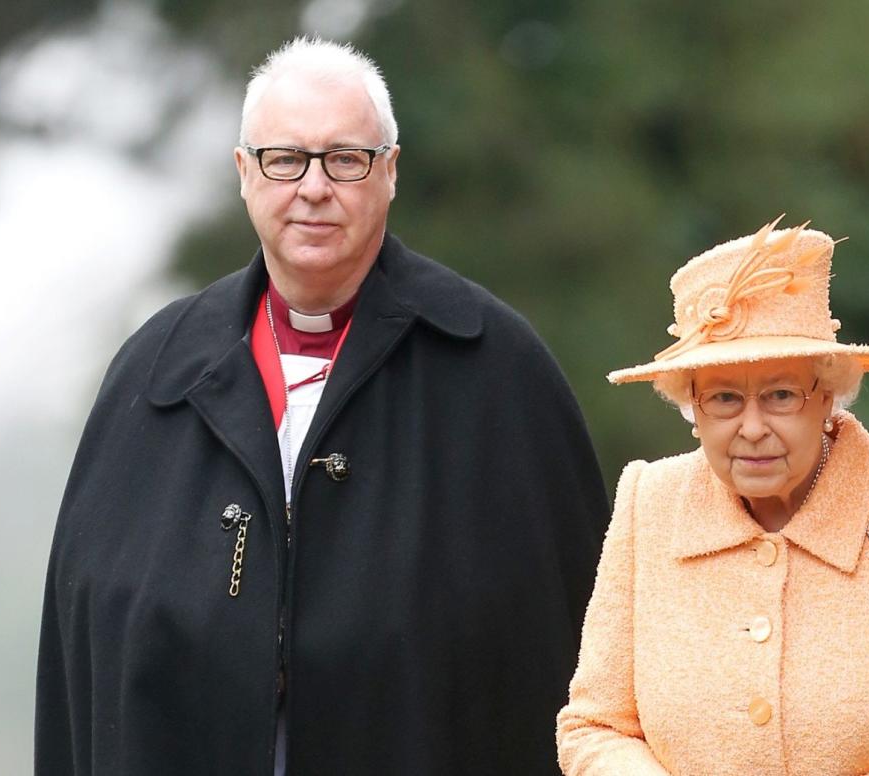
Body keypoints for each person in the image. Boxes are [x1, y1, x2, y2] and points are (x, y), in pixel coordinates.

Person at [35, 37, 609, 776]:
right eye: (284, 158)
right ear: (245, 173)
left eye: (345, 158)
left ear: (390, 172)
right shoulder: (156, 371)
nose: (313, 187)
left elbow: (570, 646)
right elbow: (87, 642)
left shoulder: (496, 366)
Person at [556, 217, 869, 775]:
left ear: (828, 396)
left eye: (781, 395)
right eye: (722, 399)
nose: (752, 427)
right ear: (691, 409)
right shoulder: (648, 503)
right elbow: (594, 728)